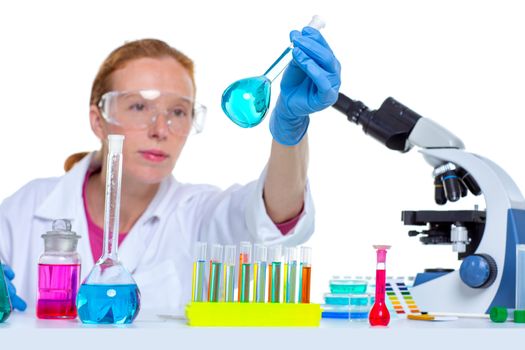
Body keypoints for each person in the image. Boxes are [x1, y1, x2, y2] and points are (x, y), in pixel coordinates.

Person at [0, 26, 341, 313]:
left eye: (178, 112)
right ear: (98, 120)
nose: (160, 129)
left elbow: (273, 215)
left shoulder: (198, 214)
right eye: (138, 106)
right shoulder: (25, 210)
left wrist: (289, 131)